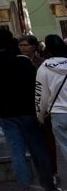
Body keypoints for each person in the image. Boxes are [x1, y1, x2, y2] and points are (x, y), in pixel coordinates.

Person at [0, 28, 61, 191]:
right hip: (28, 111)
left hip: (5, 114)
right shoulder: (22, 61)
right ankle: (50, 188)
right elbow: (36, 87)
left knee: (16, 151)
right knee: (38, 149)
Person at [36, 34, 67, 164]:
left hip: (58, 113)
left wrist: (40, 116)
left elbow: (40, 94)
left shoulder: (44, 68)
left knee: (65, 146)